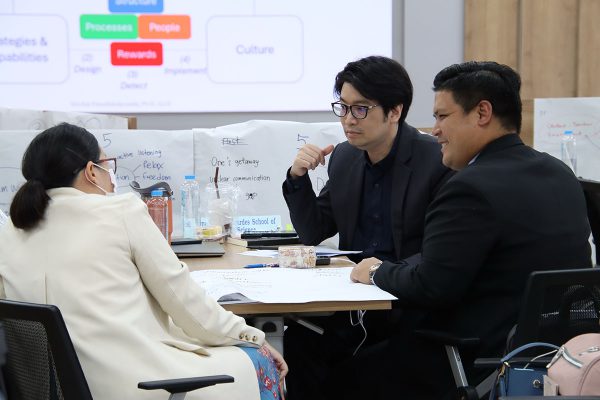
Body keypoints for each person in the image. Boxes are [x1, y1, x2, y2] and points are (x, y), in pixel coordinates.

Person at [349, 61, 592, 399]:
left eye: (442, 116)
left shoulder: (469, 187)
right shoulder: (560, 172)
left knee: (343, 370)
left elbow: (431, 286)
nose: (435, 130)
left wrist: (377, 271)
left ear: (482, 113)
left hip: (473, 361)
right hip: (553, 357)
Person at [0, 123, 287, 400]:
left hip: (51, 389)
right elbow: (187, 305)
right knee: (258, 361)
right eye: (106, 165)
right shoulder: (120, 211)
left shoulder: (10, 231)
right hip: (137, 386)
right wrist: (251, 337)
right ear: (91, 171)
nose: (111, 175)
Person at [281, 56, 452, 399]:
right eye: (343, 107)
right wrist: (297, 178)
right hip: (353, 304)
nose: (348, 119)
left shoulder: (436, 160)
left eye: (360, 109)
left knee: (357, 372)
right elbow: (314, 231)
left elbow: (444, 253)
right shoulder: (345, 157)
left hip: (405, 306)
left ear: (395, 111)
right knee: (294, 343)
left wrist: (383, 273)